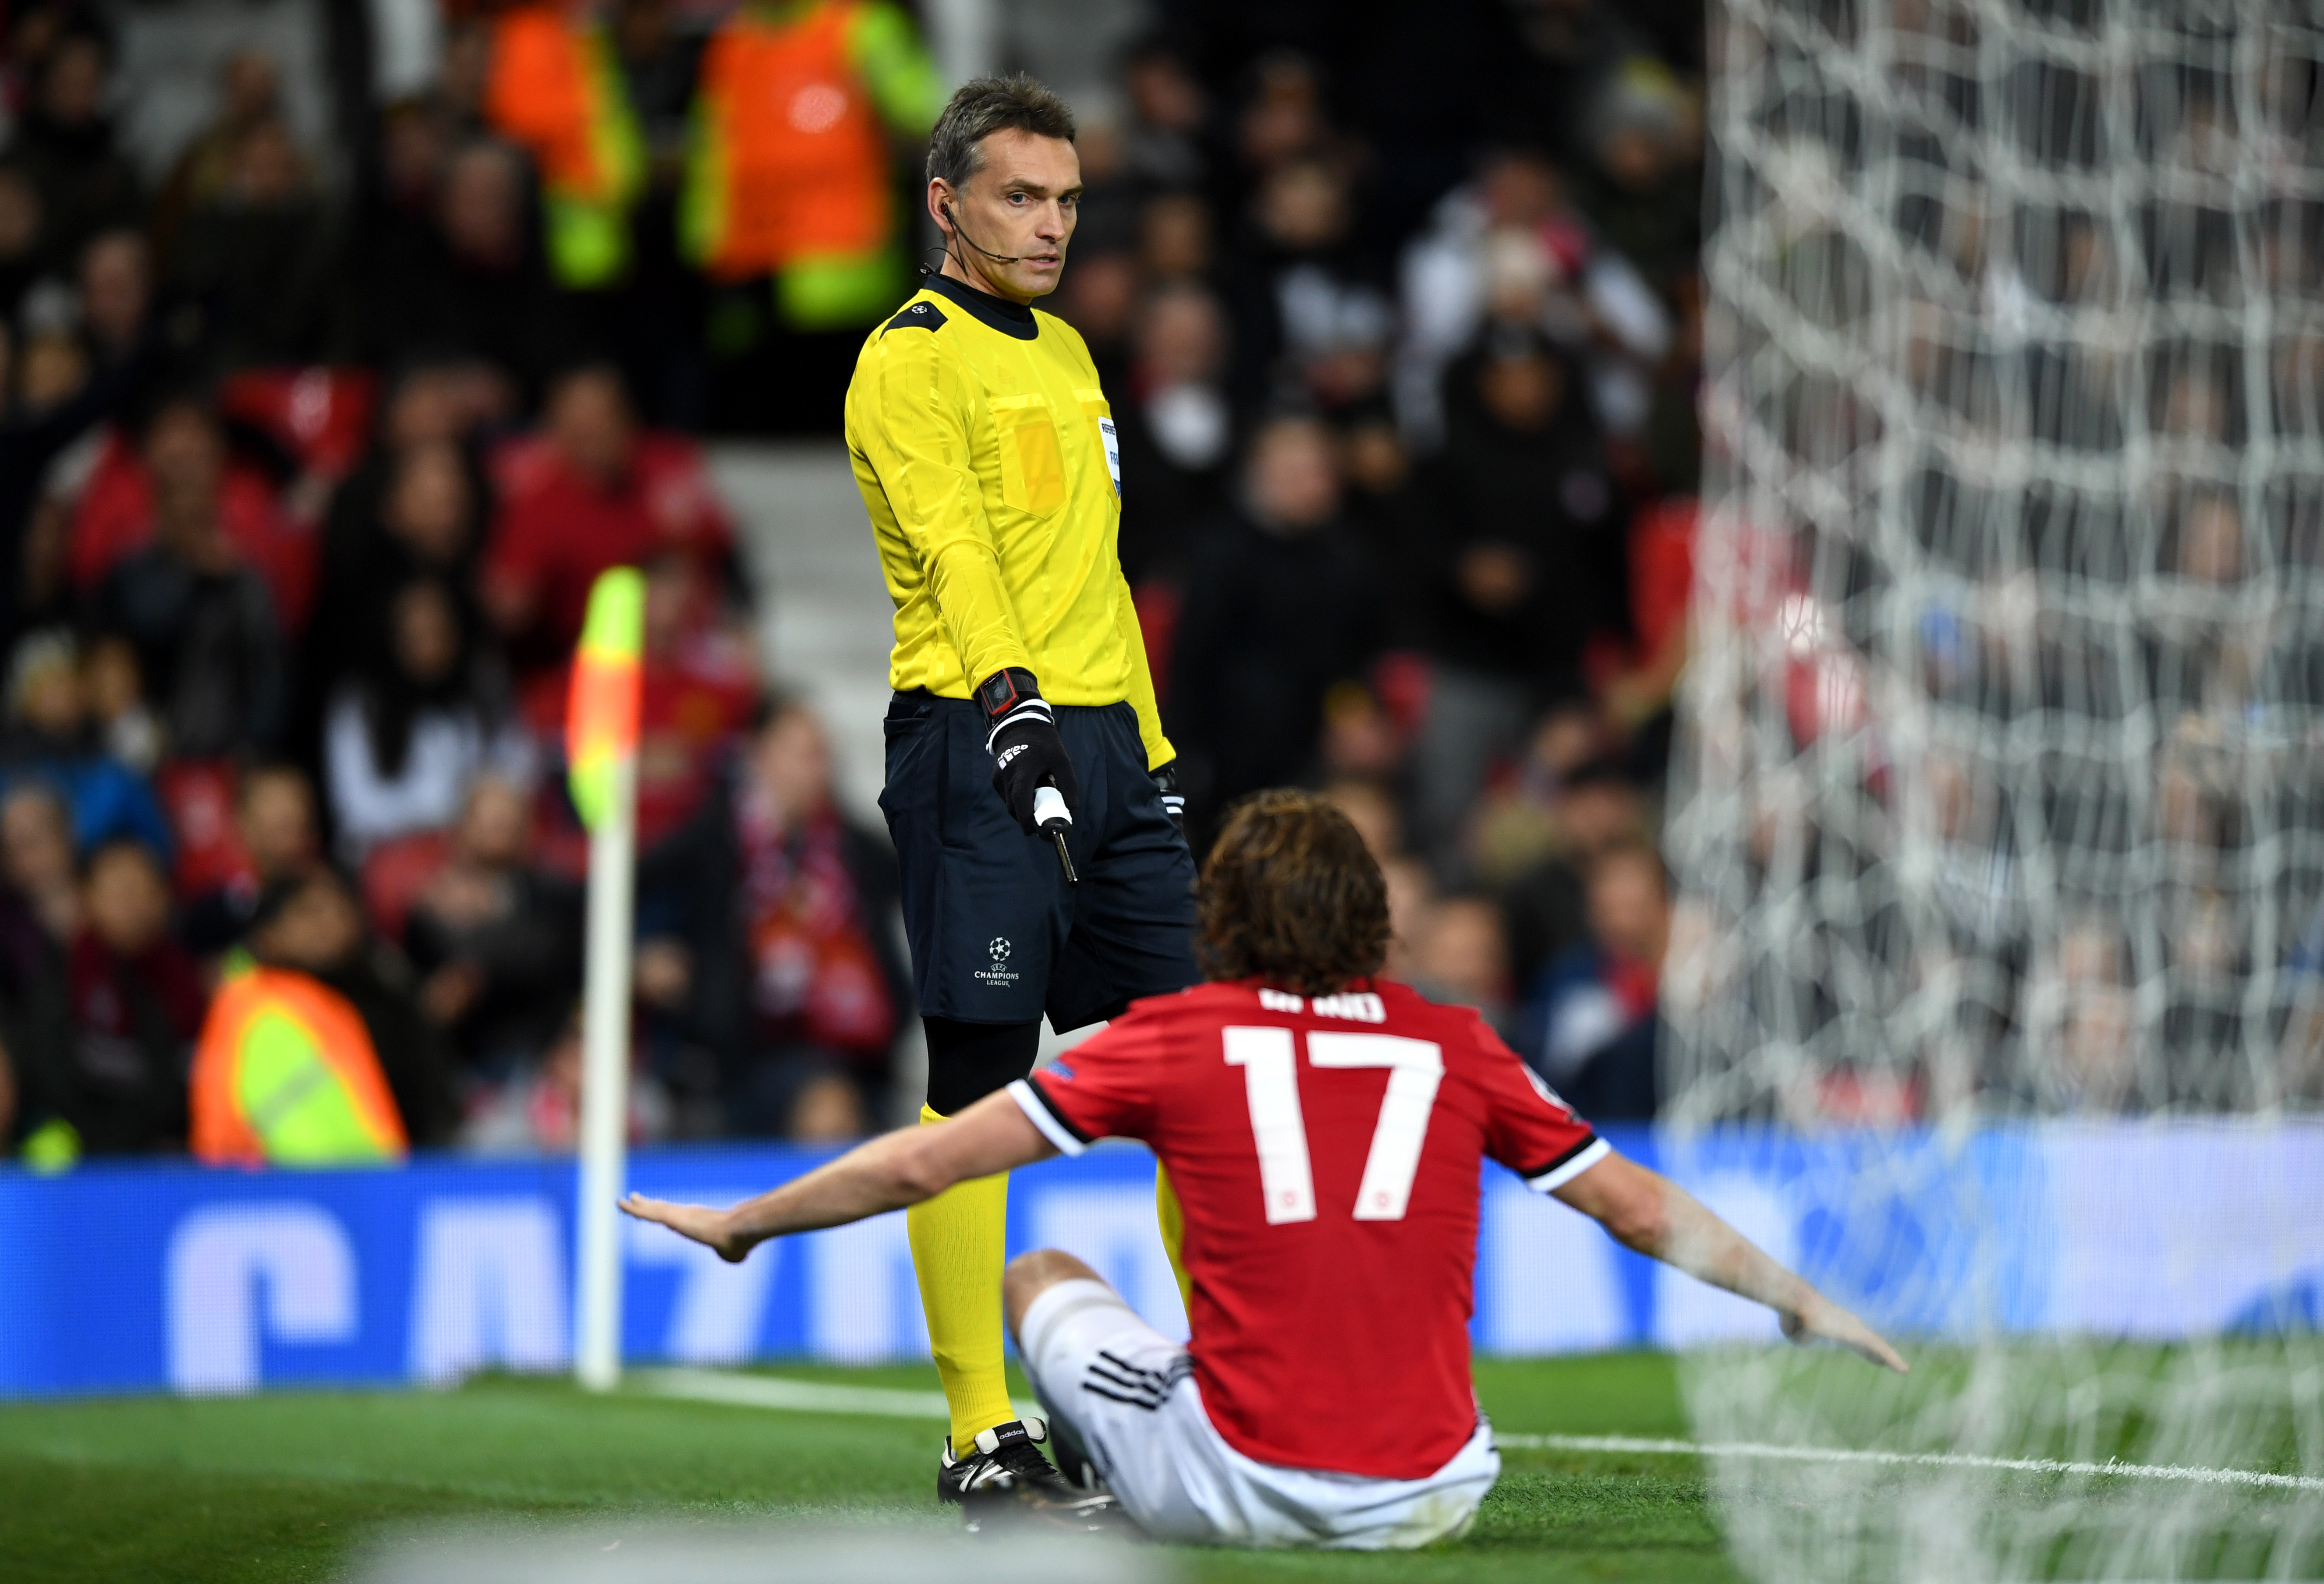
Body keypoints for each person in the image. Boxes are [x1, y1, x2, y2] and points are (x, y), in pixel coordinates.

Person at [623, 790, 1906, 1543]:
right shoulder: (1456, 1043)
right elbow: (1634, 1207)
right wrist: (1799, 1298)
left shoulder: (1174, 1036)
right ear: (1372, 922)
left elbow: (924, 1168)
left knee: (1043, 1272)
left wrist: (747, 1222)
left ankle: (1094, 1493)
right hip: (1438, 1494)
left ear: (1223, 915)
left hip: (1244, 1482)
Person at [842, 75, 1200, 1509]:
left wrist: (1152, 759)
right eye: (1019, 198)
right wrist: (1013, 709)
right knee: (980, 1088)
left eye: (1064, 200)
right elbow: (955, 556)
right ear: (946, 205)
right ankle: (980, 1432)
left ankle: (1241, 1387)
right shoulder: (907, 360)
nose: (1051, 225)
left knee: (1192, 1072)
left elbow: (1094, 583)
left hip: (1116, 748)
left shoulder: (1066, 350)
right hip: (978, 737)